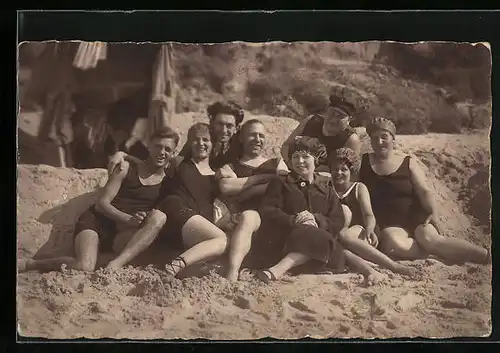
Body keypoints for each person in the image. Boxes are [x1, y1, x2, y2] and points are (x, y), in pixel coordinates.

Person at [19, 127, 180, 273]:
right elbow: (101, 205)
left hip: (121, 234)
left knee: (159, 218)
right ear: (149, 146)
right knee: (84, 266)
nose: (162, 152)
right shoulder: (126, 169)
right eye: (158, 146)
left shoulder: (167, 183)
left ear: (173, 153)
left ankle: (116, 264)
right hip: (97, 222)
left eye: (167, 149)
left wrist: (124, 153)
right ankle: (32, 265)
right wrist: (128, 219)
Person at [256, 136, 386, 286]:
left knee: (328, 241)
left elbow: (337, 220)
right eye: (296, 157)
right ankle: (278, 269)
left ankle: (278, 270)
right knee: (323, 239)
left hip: (320, 251)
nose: (300, 161)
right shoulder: (281, 183)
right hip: (288, 240)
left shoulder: (326, 189)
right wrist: (295, 220)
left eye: (305, 156)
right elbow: (267, 210)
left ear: (316, 159)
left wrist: (317, 220)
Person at [359, 117, 490, 264]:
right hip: (387, 222)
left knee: (431, 240)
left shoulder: (407, 161)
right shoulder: (363, 162)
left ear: (393, 139)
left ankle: (485, 255)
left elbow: (423, 191)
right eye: (375, 138)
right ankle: (437, 255)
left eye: (384, 137)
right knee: (396, 245)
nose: (380, 141)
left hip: (414, 215)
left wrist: (432, 212)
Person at [216, 119, 289, 281]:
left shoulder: (276, 162)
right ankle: (233, 272)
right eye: (252, 135)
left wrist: (248, 191)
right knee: (248, 216)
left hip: (272, 216)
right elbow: (227, 186)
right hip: (245, 218)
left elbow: (285, 183)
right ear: (241, 138)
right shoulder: (232, 165)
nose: (257, 139)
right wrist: (266, 179)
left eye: (261, 136)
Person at [329, 147, 418, 277]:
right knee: (340, 247)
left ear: (351, 171)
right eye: (335, 169)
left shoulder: (358, 188)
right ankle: (373, 268)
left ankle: (394, 266)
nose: (339, 173)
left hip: (362, 231)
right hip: (338, 233)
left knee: (345, 235)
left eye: (344, 169)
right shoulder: (327, 188)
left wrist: (370, 229)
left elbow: (368, 214)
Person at [156, 122, 229, 277]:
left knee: (216, 255)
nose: (200, 143)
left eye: (205, 140)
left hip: (193, 227)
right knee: (221, 240)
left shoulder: (217, 175)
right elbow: (149, 162)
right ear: (189, 143)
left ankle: (176, 266)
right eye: (195, 139)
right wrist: (123, 154)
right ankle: (174, 267)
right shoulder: (179, 163)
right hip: (174, 211)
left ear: (213, 144)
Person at [281, 93, 362, 173]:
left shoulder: (350, 139)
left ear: (349, 120)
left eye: (340, 116)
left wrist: (311, 171)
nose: (333, 118)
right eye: (332, 112)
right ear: (326, 111)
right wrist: (290, 163)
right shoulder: (311, 121)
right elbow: (286, 146)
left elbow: (347, 171)